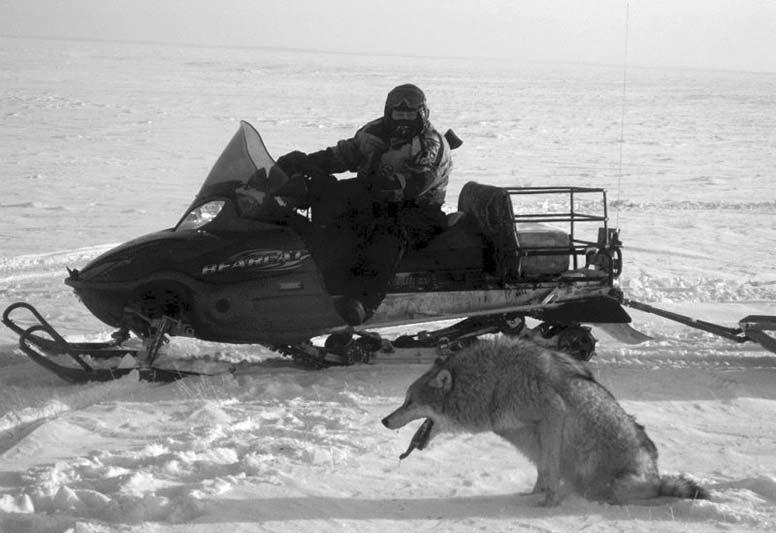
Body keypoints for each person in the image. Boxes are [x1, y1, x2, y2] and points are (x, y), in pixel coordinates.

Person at [277, 84, 454, 325]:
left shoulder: (431, 145)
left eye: (410, 115)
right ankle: (315, 281)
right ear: (388, 113)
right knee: (331, 210)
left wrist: (361, 188)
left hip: (420, 210)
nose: (403, 121)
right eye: (398, 114)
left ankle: (362, 303)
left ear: (422, 115)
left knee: (388, 233)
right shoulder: (373, 132)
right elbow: (344, 154)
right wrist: (307, 163)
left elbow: (411, 186)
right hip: (376, 199)